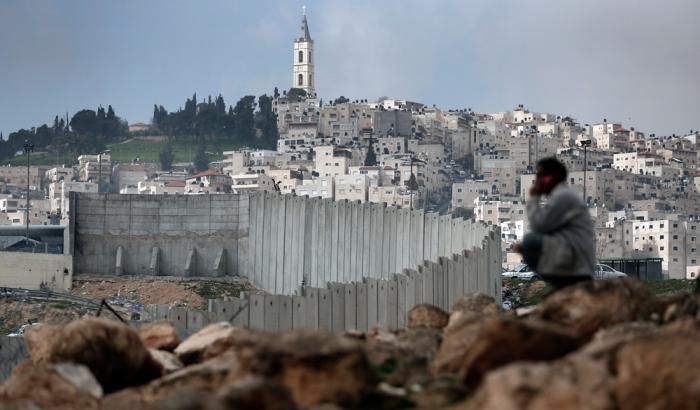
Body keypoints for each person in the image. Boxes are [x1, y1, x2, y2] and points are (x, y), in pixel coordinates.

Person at [514, 157, 595, 289]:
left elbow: (538, 226)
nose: (538, 181)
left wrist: (534, 197)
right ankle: (560, 285)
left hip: (577, 263)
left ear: (551, 177)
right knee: (527, 245)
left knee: (530, 242)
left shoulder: (563, 196)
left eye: (540, 176)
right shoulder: (562, 195)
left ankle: (563, 284)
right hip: (573, 257)